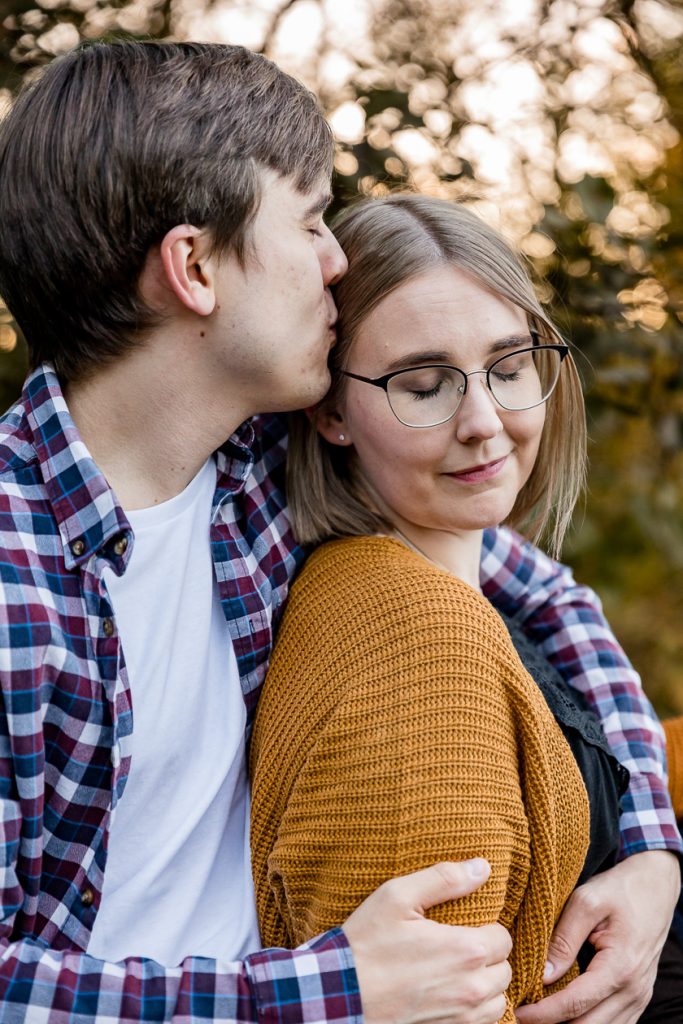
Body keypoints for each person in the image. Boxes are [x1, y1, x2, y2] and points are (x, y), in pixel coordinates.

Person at [0, 39, 678, 1024]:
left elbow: (539, 590)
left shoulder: (254, 481)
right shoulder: (17, 573)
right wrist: (327, 990)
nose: (335, 260)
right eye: (311, 221)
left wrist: (650, 848)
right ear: (193, 267)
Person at [250, 194, 682, 1023]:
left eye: (509, 369)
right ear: (330, 411)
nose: (485, 424)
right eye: (423, 386)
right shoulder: (410, 643)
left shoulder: (472, 568)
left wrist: (653, 852)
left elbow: (560, 596)